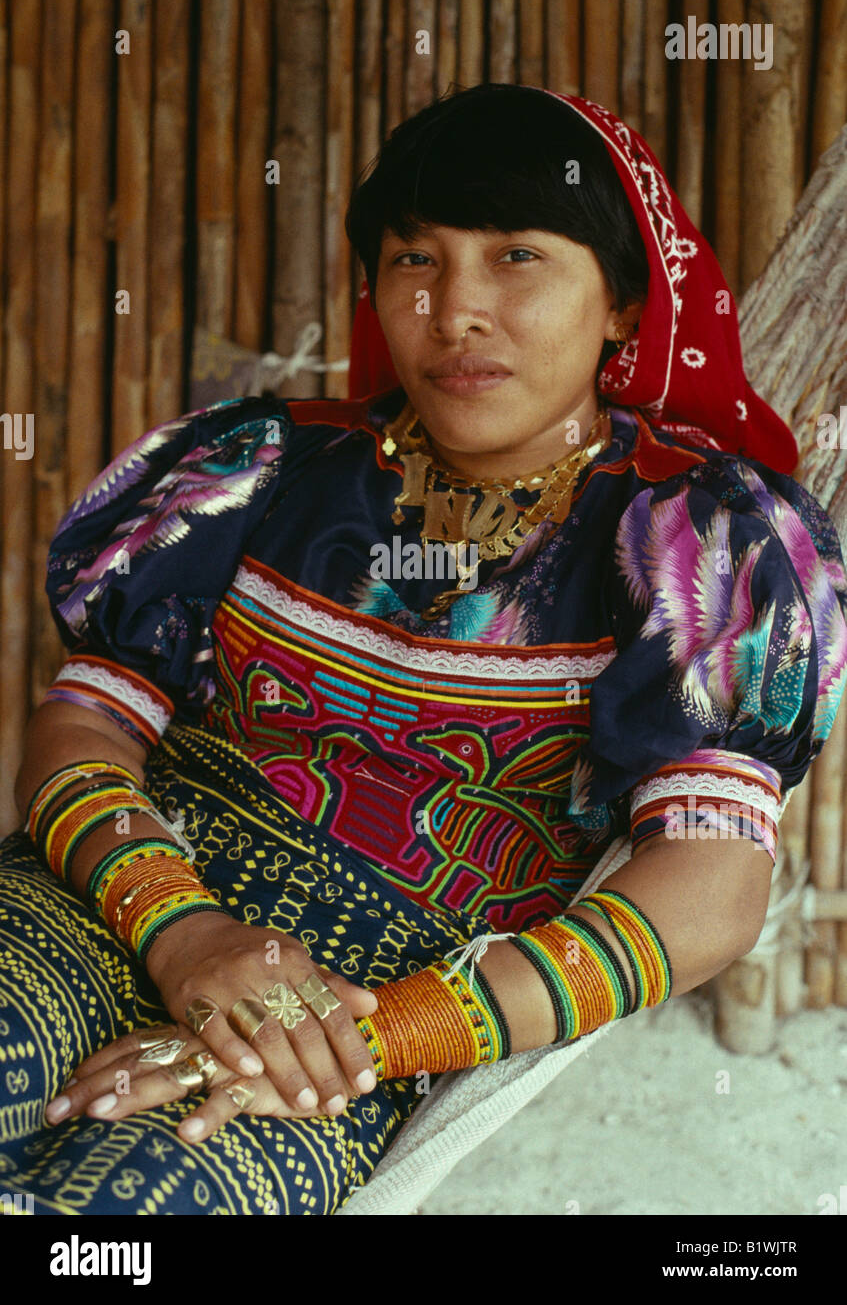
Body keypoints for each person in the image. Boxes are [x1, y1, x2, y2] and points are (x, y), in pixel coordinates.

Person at [1, 83, 845, 1216]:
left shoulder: (695, 540)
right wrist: (184, 931)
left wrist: (364, 1037)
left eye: (515, 257)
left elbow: (712, 890)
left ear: (621, 303)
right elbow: (86, 718)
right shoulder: (260, 468)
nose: (455, 310)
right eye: (415, 259)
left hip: (383, 1009)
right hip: (118, 896)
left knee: (114, 1221)